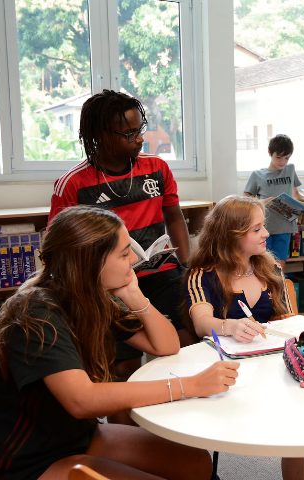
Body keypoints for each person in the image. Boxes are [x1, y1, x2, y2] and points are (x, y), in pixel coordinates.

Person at [0, 206, 238, 480]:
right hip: (26, 460)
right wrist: (190, 386)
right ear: (92, 262)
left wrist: (135, 296)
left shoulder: (92, 298)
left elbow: (166, 345)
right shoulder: (36, 312)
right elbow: (83, 400)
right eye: (125, 253)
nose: (134, 260)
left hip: (75, 435)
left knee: (197, 464)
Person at [49, 90, 196, 423]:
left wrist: (185, 266)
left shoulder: (156, 169)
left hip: (160, 271)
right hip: (108, 286)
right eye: (130, 134)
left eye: (139, 128)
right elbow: (62, 246)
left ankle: (185, 420)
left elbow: (174, 218)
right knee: (123, 366)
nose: (140, 138)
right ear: (100, 136)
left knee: (188, 339)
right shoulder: (73, 184)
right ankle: (128, 438)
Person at [183, 195, 304, 480]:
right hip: (233, 374)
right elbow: (201, 322)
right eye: (257, 229)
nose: (267, 234)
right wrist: (230, 326)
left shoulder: (270, 270)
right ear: (231, 235)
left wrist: (296, 325)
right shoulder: (203, 275)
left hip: (274, 365)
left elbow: (286, 320)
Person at [243, 134, 304, 268]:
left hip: (285, 226)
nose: (283, 162)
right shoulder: (257, 175)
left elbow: (296, 194)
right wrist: (263, 201)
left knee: (279, 268)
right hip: (264, 227)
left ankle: (279, 289)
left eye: (286, 158)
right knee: (264, 267)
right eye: (278, 157)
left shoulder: (290, 169)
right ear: (270, 153)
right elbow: (245, 200)